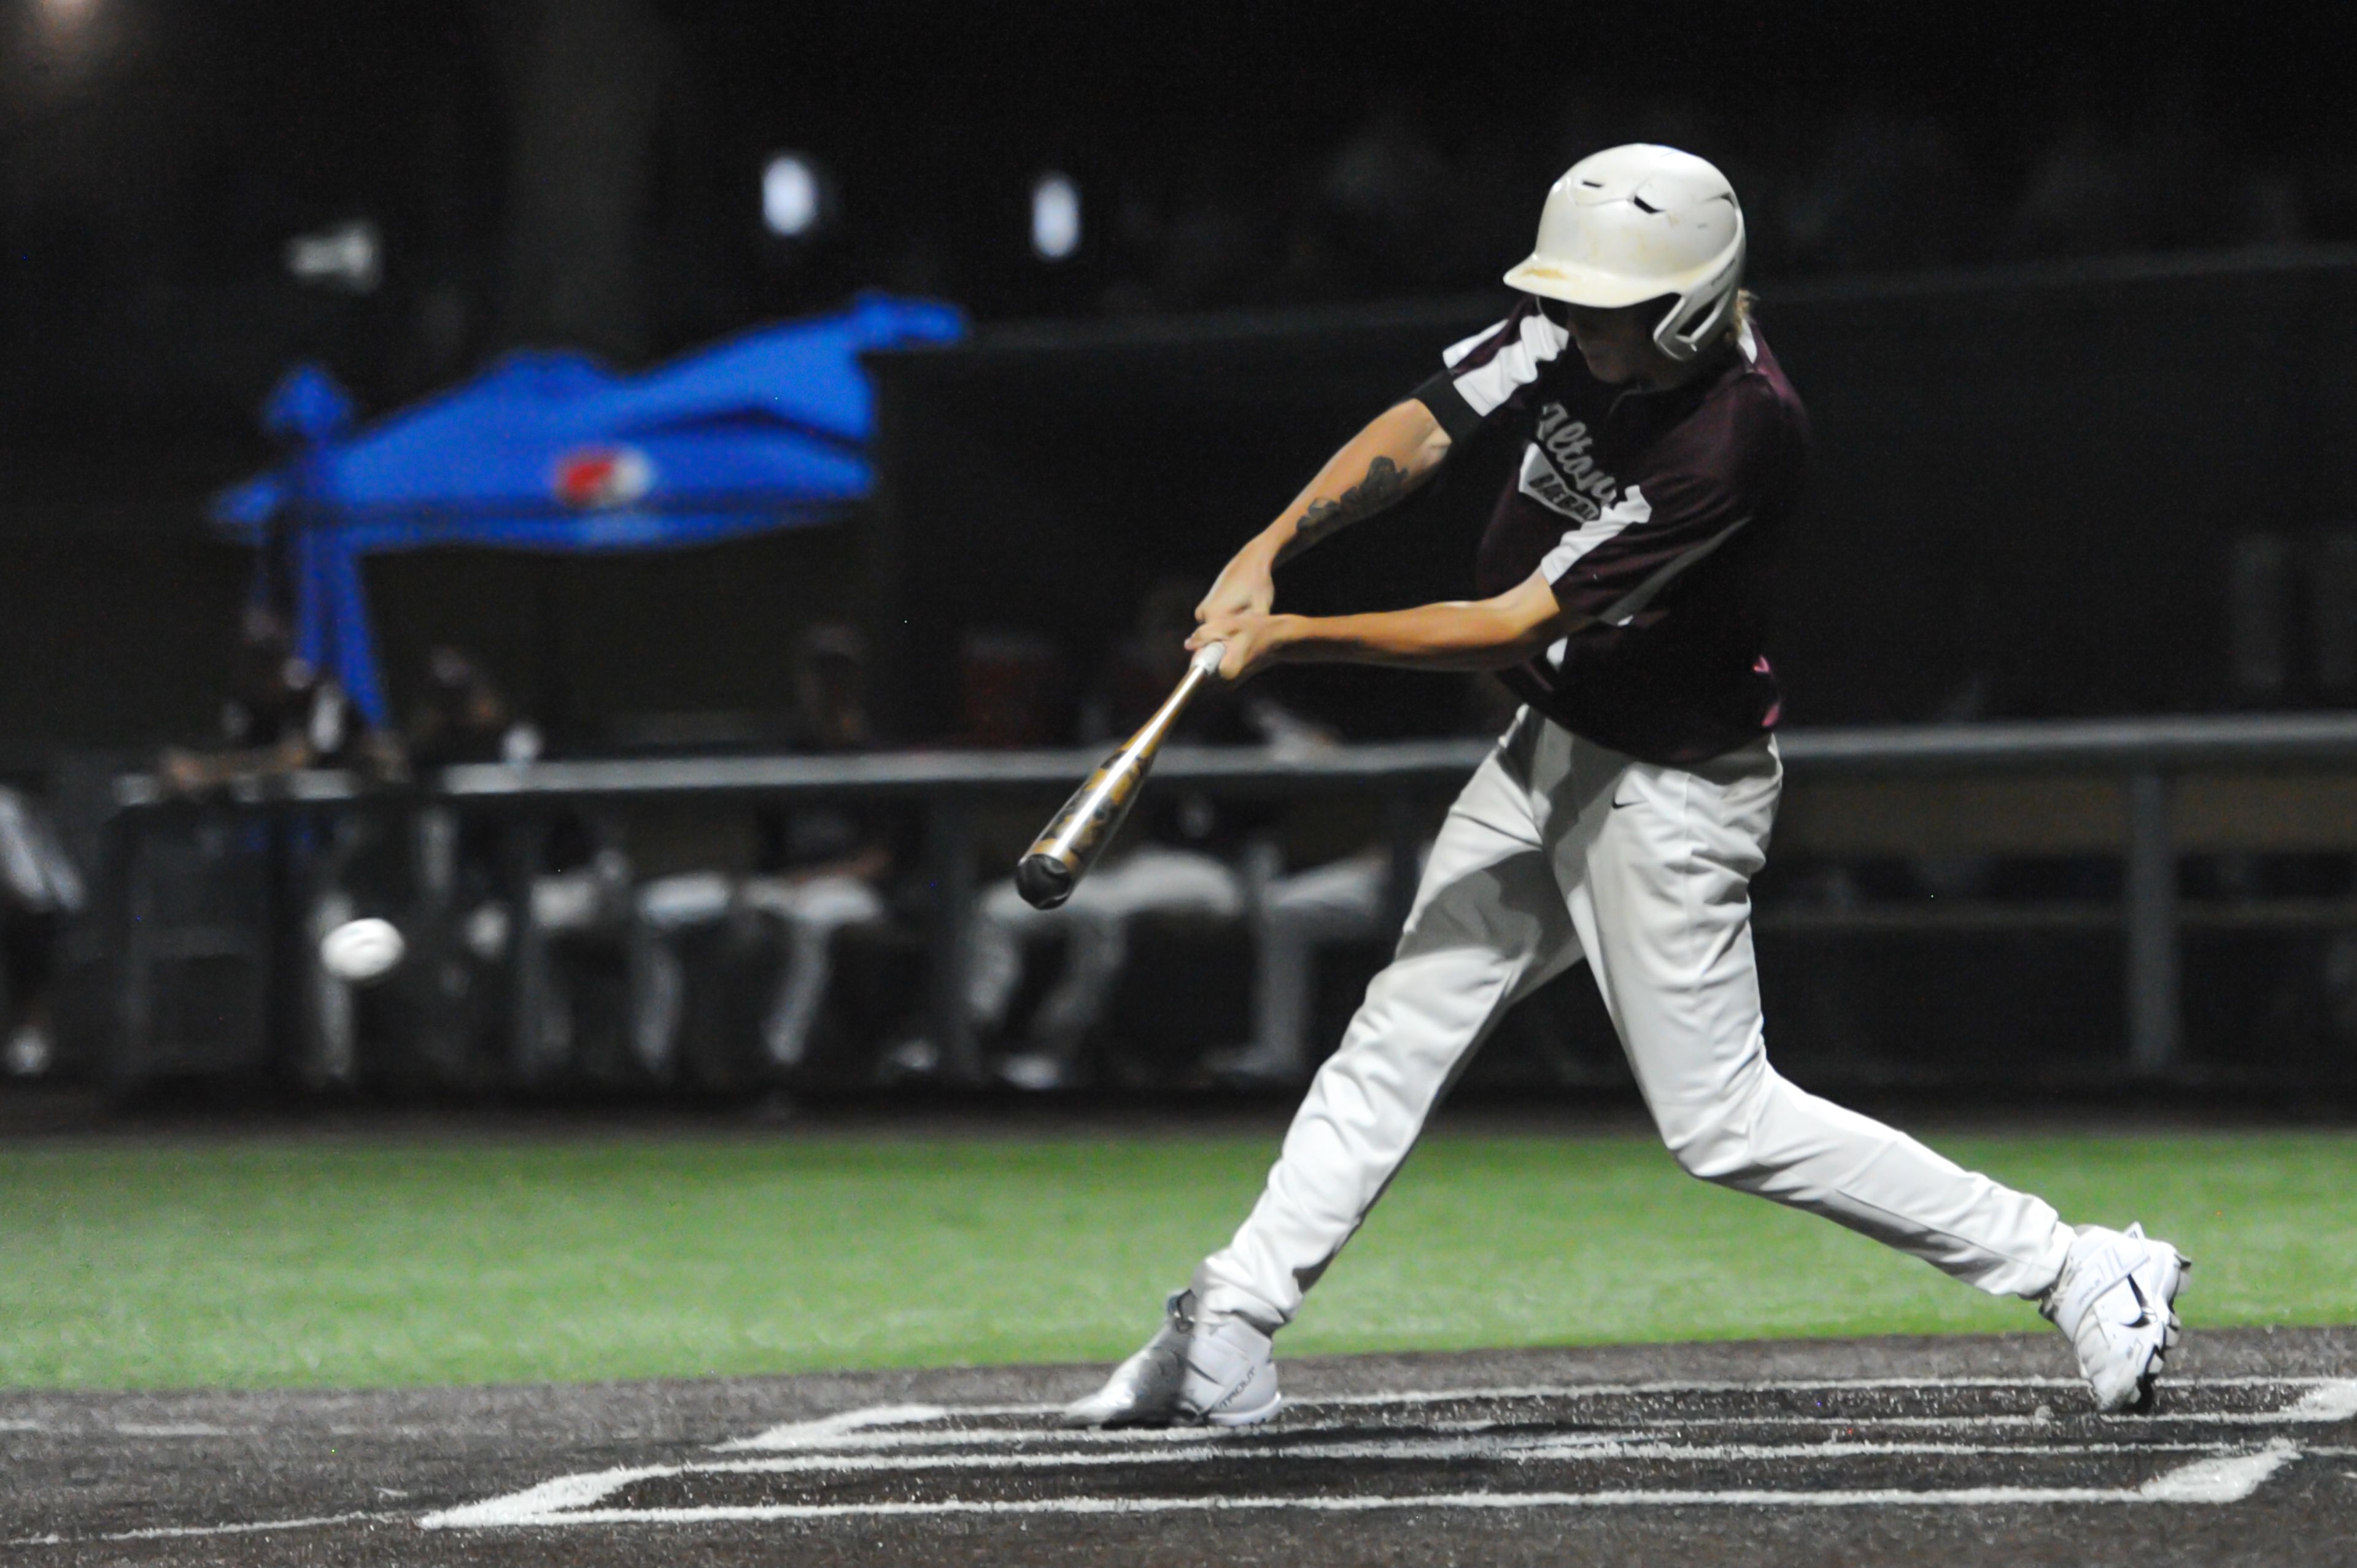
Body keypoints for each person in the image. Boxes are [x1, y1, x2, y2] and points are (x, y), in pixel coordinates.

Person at [1066, 145, 2186, 1429]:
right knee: (1400, 1028)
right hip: (1553, 751)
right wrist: (1269, 548)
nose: (1576, 325)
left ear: (1691, 306)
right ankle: (1231, 1323)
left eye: (1607, 311)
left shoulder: (1740, 435)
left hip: (1669, 790)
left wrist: (1294, 634)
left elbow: (1508, 622)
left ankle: (2077, 1263)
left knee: (1724, 1123)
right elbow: (1427, 425)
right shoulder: (1574, 318)